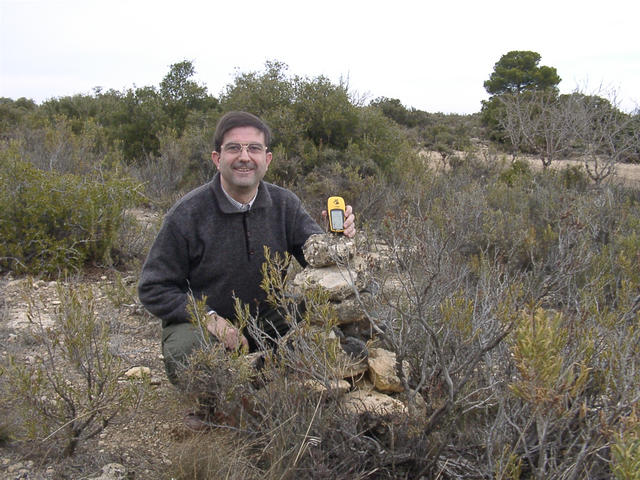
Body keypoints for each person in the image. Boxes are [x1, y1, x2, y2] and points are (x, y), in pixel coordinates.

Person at [138, 111, 355, 397]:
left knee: (346, 315)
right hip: (208, 325)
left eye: (254, 148)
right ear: (217, 159)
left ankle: (280, 376)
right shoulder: (187, 213)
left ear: (267, 159)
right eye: (234, 148)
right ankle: (215, 402)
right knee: (189, 354)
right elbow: (154, 288)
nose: (244, 157)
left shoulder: (285, 204)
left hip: (269, 318)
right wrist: (211, 319)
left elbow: (317, 262)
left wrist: (336, 242)